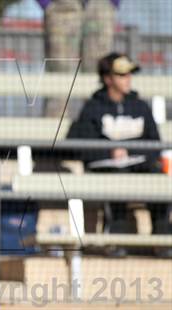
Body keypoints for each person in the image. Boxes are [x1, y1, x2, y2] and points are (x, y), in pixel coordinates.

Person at [67, 53, 172, 257]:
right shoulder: (93, 108)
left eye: (129, 74)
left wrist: (130, 151)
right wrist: (110, 151)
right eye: (122, 75)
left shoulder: (139, 106)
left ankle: (163, 241)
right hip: (106, 168)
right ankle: (115, 241)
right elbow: (81, 146)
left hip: (138, 165)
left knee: (159, 178)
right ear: (108, 79)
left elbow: (154, 143)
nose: (127, 79)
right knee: (116, 184)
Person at [36, 0, 120, 116]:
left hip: (101, 6)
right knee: (58, 80)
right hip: (62, 6)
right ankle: (54, 132)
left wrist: (112, 3)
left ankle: (97, 130)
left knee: (99, 78)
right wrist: (47, 3)